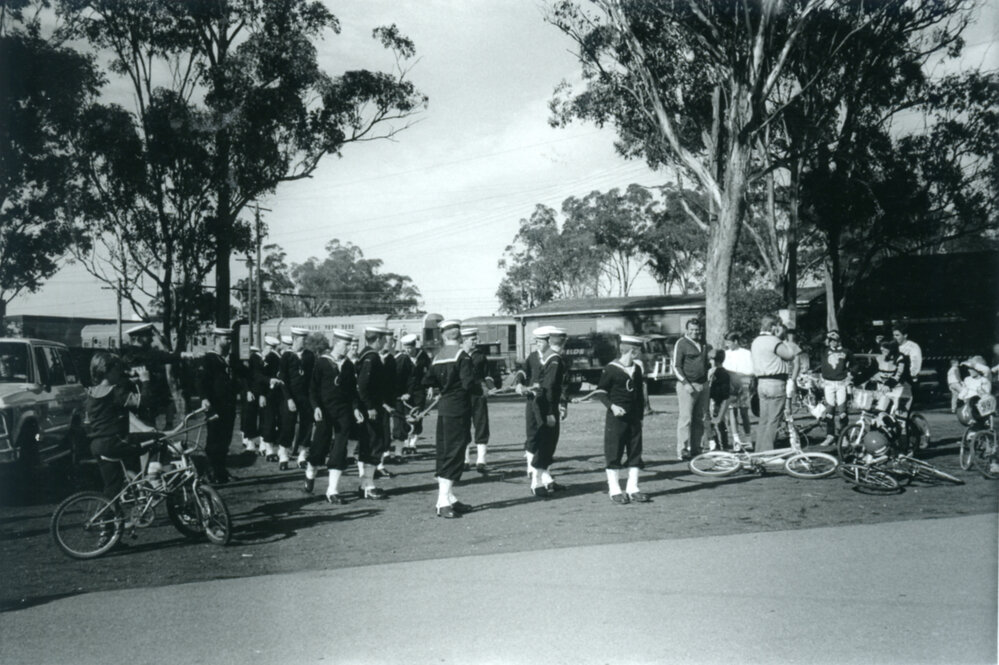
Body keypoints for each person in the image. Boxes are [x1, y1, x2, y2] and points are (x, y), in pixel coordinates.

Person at [422, 319, 475, 518]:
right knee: (454, 452)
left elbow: (427, 380)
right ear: (460, 336)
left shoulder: (437, 357)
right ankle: (442, 501)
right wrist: (483, 389)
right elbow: (469, 384)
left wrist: (443, 387)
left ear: (443, 335)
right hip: (459, 408)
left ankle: (449, 497)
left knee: (444, 450)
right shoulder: (463, 356)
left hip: (444, 408)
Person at [587, 334, 649, 504]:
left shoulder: (637, 369)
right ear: (631, 351)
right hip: (616, 419)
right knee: (614, 451)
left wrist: (641, 417)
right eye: (637, 350)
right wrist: (612, 407)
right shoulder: (611, 369)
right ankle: (614, 489)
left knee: (635, 451)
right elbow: (601, 392)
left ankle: (633, 488)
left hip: (634, 418)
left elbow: (638, 396)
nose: (639, 353)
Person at [86, 351, 152, 500]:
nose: (120, 373)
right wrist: (145, 381)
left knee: (112, 487)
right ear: (107, 371)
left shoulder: (91, 392)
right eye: (117, 369)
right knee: (158, 440)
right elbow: (145, 401)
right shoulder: (116, 393)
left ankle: (108, 519)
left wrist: (131, 381)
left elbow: (115, 408)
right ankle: (153, 478)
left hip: (97, 444)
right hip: (116, 441)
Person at [306, 329, 362, 502]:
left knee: (340, 448)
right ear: (336, 342)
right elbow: (312, 389)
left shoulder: (348, 365)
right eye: (345, 344)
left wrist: (355, 409)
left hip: (343, 412)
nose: (348, 348)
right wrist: (315, 407)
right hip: (324, 411)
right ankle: (310, 471)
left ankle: (333, 490)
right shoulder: (322, 363)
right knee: (320, 447)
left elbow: (352, 391)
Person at [750, 314, 797, 452]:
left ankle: (760, 451)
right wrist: (785, 338)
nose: (781, 328)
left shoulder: (756, 341)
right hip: (775, 383)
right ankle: (769, 452)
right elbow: (790, 355)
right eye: (778, 325)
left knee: (764, 420)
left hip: (762, 383)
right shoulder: (774, 341)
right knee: (773, 420)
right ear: (772, 327)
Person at [198, 328, 238, 484]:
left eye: (230, 339)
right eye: (225, 338)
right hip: (214, 406)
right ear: (216, 339)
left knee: (225, 440)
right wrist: (204, 398)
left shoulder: (230, 359)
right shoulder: (208, 359)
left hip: (228, 406)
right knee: (214, 440)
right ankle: (211, 472)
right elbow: (201, 381)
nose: (229, 342)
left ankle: (221, 471)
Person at [121, 322, 180, 429]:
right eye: (147, 337)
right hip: (139, 408)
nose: (152, 340)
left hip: (148, 407)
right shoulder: (133, 357)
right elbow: (159, 357)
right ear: (138, 338)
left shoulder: (145, 356)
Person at [354, 326, 389, 499]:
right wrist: (369, 406)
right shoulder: (371, 357)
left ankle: (365, 485)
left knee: (368, 445)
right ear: (378, 340)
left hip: (371, 407)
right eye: (384, 339)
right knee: (374, 445)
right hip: (371, 410)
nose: (385, 342)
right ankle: (368, 486)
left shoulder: (364, 355)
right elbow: (363, 385)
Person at [514, 326, 550, 491]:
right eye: (537, 341)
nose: (538, 345)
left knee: (546, 437)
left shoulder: (553, 358)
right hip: (532, 400)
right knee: (532, 433)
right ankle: (530, 467)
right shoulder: (533, 357)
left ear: (549, 342)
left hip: (547, 402)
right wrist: (520, 382)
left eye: (541, 341)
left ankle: (544, 472)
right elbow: (523, 370)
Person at [277, 327, 315, 470]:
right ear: (294, 339)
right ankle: (283, 456)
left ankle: (302, 456)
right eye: (301, 339)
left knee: (307, 425)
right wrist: (289, 399)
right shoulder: (286, 356)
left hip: (305, 397)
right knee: (287, 425)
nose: (304, 341)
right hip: (289, 397)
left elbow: (312, 377)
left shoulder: (309, 356)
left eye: (305, 338)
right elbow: (283, 379)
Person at [672, 318, 709, 460]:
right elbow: (676, 366)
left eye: (697, 329)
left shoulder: (703, 343)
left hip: (702, 384)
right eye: (692, 329)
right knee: (686, 418)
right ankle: (682, 449)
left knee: (700, 418)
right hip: (687, 385)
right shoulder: (681, 343)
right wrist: (685, 383)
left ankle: (696, 448)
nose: (695, 332)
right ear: (687, 330)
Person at [461, 327, 491, 474]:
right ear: (464, 340)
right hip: (462, 395)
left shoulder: (480, 356)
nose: (475, 341)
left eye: (475, 339)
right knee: (463, 426)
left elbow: (488, 374)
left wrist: (489, 387)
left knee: (481, 424)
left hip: (478, 395)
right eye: (472, 339)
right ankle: (465, 460)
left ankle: (481, 461)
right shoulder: (458, 356)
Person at [820, 330, 853, 446]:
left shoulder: (846, 351)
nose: (833, 342)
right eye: (831, 340)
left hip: (841, 383)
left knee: (843, 411)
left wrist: (851, 375)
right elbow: (816, 342)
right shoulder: (824, 351)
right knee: (829, 411)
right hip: (828, 383)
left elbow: (854, 364)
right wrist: (826, 335)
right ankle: (830, 435)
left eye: (835, 339)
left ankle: (844, 436)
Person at [722, 332, 754, 449]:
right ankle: (736, 440)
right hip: (730, 386)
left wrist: (742, 376)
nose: (727, 345)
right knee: (732, 412)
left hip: (743, 384)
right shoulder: (726, 354)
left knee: (744, 412)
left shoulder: (746, 353)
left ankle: (748, 439)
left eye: (729, 342)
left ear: (735, 341)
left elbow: (751, 370)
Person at [399, 333, 429, 454]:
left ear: (414, 346)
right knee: (406, 416)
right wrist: (402, 392)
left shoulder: (423, 356)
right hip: (406, 391)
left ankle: (413, 443)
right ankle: (406, 442)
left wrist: (430, 386)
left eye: (410, 348)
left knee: (418, 415)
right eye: (406, 348)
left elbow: (430, 371)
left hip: (419, 390)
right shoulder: (401, 358)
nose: (408, 350)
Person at [259, 335, 283, 462]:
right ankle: (269, 450)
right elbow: (262, 377)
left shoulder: (277, 357)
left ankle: (272, 448)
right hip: (269, 394)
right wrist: (262, 394)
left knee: (276, 421)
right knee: (269, 421)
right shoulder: (269, 357)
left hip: (278, 394)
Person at [240, 344, 267, 454]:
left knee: (252, 417)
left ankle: (253, 443)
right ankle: (254, 442)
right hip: (253, 393)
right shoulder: (254, 360)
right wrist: (248, 391)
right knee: (252, 417)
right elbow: (246, 378)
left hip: (255, 392)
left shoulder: (256, 360)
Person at [708, 349, 731, 451]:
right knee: (716, 423)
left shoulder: (717, 373)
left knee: (717, 422)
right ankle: (718, 443)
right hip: (717, 400)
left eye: (711, 360)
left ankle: (721, 445)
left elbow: (720, 390)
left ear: (714, 361)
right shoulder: (723, 372)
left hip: (717, 400)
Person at [892, 324, 922, 401]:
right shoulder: (893, 346)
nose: (894, 337)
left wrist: (912, 376)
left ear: (905, 335)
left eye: (897, 335)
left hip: (906, 380)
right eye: (893, 335)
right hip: (894, 379)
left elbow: (915, 362)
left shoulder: (912, 346)